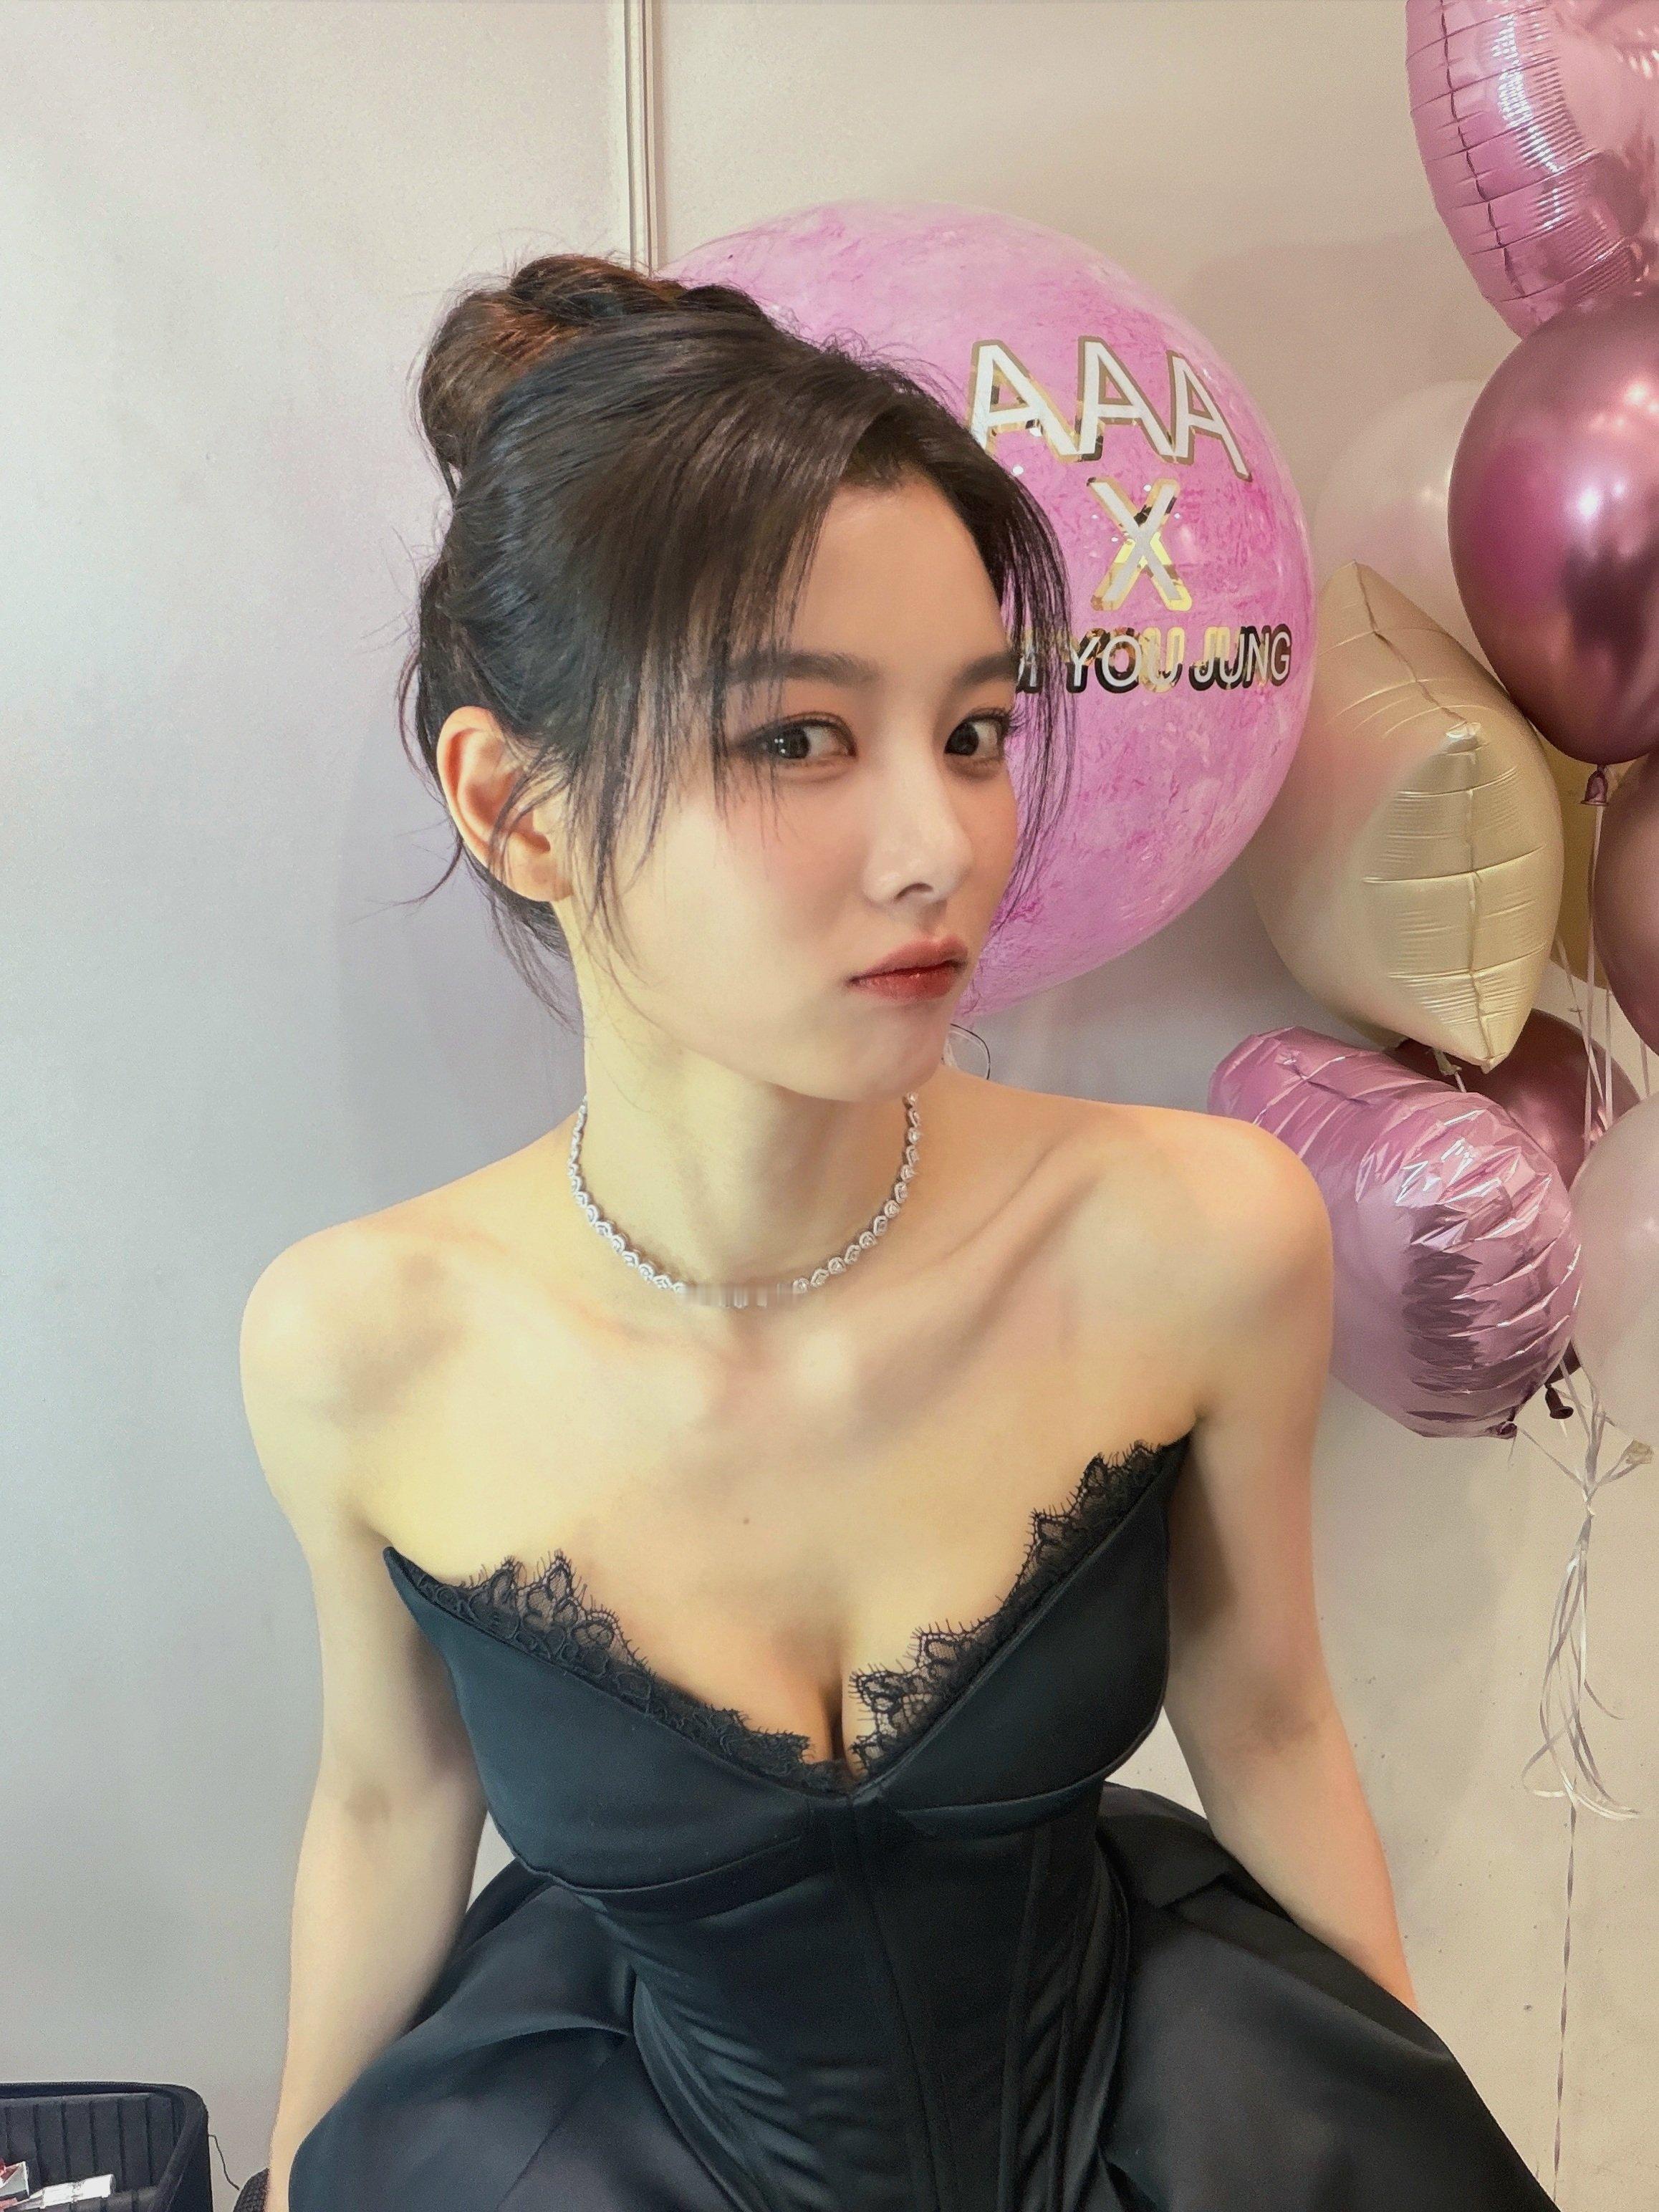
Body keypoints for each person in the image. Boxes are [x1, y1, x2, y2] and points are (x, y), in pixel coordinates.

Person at [239, 251, 1554, 2212]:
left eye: (974, 731)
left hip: (1149, 2127)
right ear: (516, 809)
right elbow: (383, 1802)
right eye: (795, 739)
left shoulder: (1193, 1234)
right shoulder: (364, 1344)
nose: (944, 847)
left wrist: (1404, 2130)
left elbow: (1270, 1716)